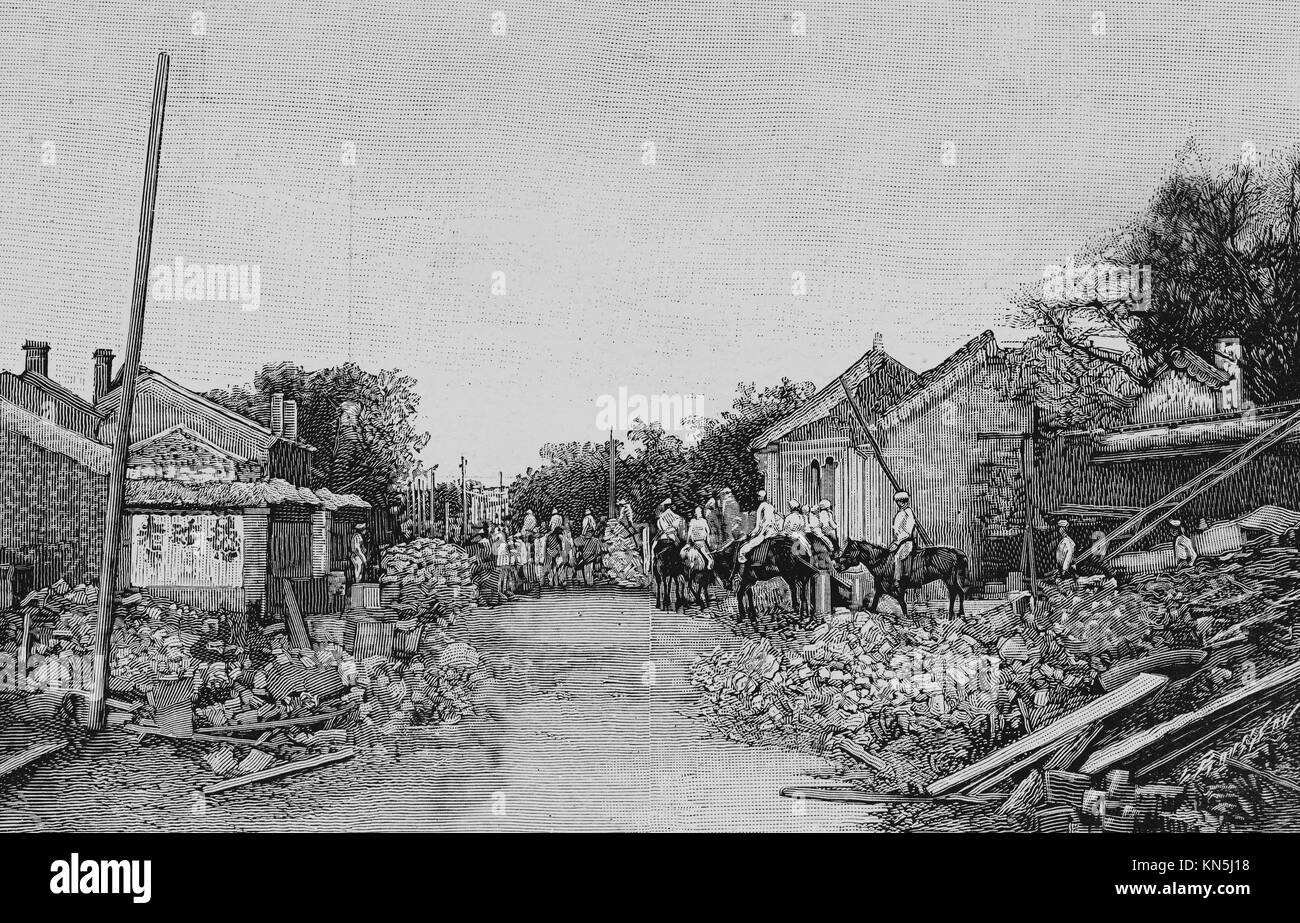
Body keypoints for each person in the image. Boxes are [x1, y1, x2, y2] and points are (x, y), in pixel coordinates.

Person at [737, 489, 778, 563]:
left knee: (748, 544)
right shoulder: (771, 506)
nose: (758, 498)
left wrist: (753, 533)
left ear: (762, 497)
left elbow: (758, 524)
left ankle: (742, 555)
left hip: (764, 531)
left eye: (759, 496)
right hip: (772, 531)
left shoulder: (762, 506)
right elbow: (774, 521)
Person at [890, 490, 916, 587]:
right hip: (898, 542)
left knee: (898, 557)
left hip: (906, 542)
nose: (898, 503)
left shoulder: (908, 512)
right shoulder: (900, 513)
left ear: (902, 501)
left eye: (899, 501)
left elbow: (907, 532)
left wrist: (897, 543)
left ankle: (897, 580)